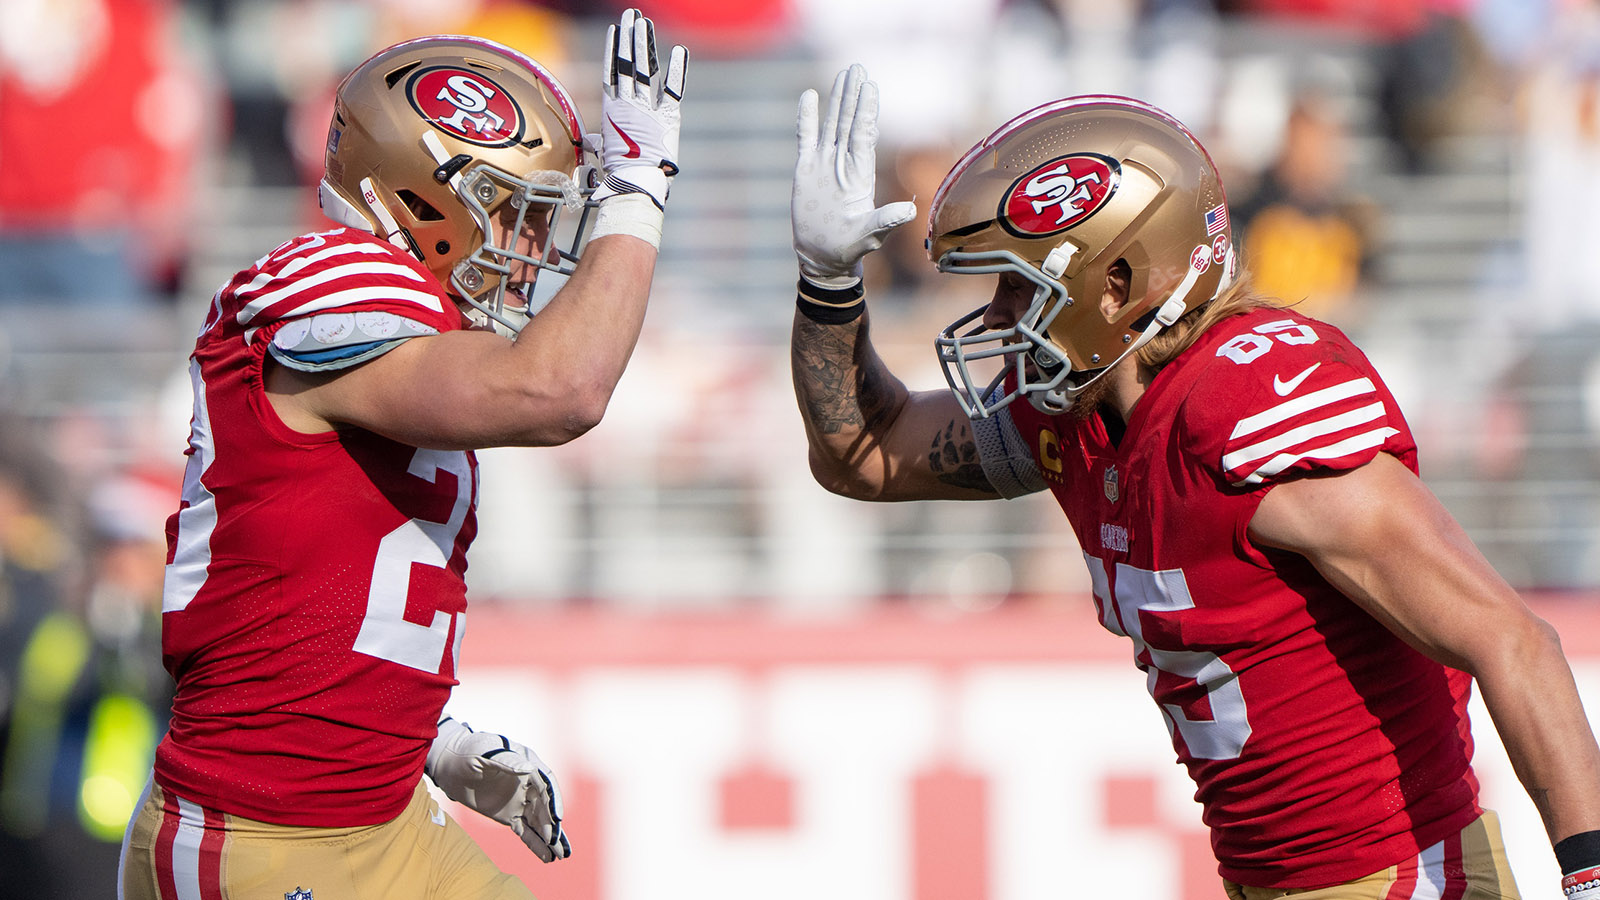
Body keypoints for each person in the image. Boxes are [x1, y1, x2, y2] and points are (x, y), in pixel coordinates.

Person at [787, 64, 1600, 899]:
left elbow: (1512, 639)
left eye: (1020, 285)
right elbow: (863, 452)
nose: (996, 317)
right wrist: (828, 284)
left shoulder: (1242, 404)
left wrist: (1589, 877)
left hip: (1402, 880)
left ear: (1117, 283)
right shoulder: (1079, 414)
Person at [118, 11, 688, 900]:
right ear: (423, 200)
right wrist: (638, 190)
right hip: (265, 832)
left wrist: (427, 738)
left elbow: (313, 574)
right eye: (514, 214)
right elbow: (561, 392)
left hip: (385, 815)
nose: (534, 252)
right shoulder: (332, 274)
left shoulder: (424, 336)